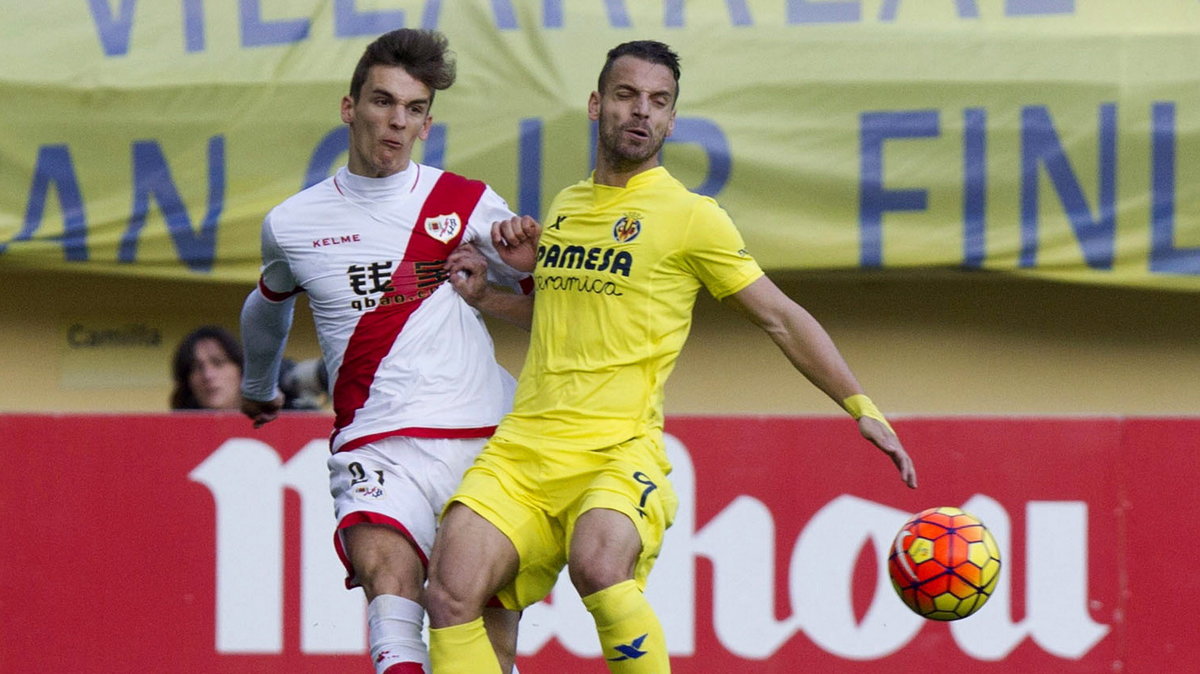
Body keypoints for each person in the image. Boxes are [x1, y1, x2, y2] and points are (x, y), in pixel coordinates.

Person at [424, 40, 918, 673]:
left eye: (658, 102)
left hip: (618, 448)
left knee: (599, 565)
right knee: (449, 592)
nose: (642, 113)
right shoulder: (567, 208)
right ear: (597, 103)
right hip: (526, 450)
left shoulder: (691, 218)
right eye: (627, 96)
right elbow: (567, 317)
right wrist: (489, 293)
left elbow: (782, 317)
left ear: (672, 120)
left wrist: (859, 406)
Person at [237, 29, 532, 674]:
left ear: (428, 122)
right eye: (383, 102)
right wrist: (259, 386)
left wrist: (523, 262)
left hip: (484, 440)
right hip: (375, 443)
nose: (397, 121)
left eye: (415, 109)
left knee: (489, 641)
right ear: (350, 108)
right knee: (390, 588)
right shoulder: (294, 223)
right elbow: (266, 306)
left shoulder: (466, 202)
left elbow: (552, 306)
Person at [170, 324, 325, 410]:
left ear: (242, 370)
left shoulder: (283, 418)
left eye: (218, 363)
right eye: (196, 368)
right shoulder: (175, 436)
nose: (208, 375)